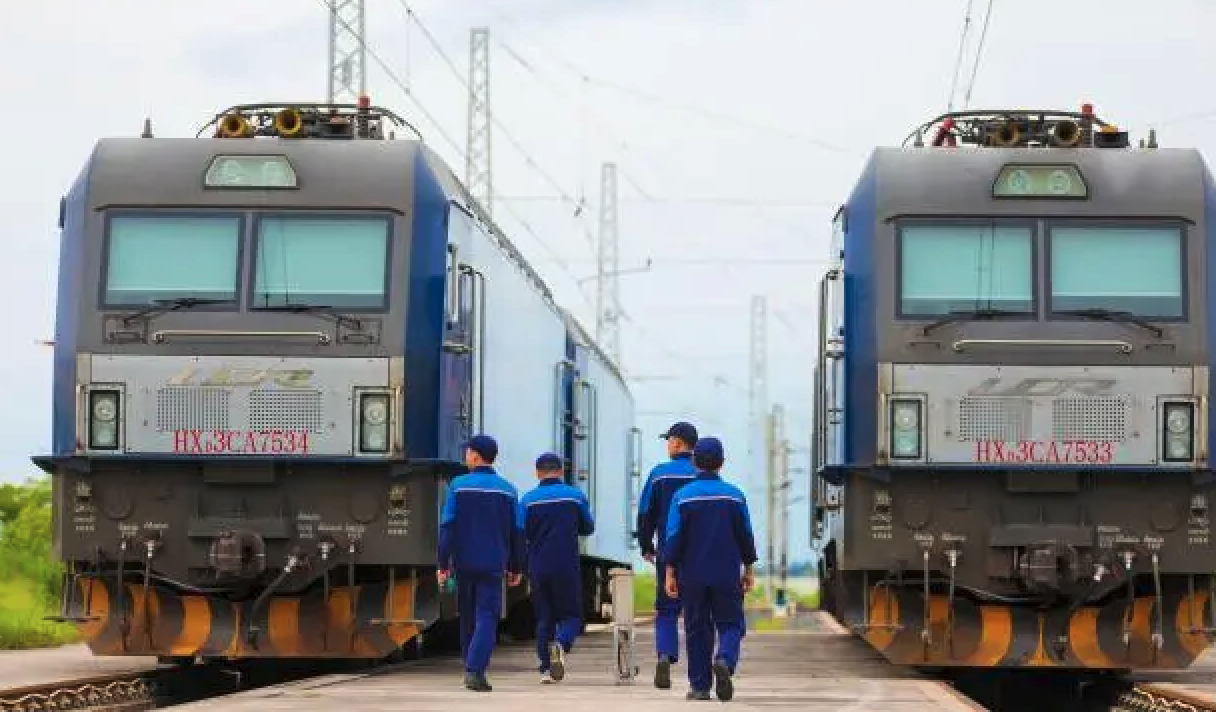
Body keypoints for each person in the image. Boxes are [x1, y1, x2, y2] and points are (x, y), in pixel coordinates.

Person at [662, 436, 757, 702]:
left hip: (692, 574)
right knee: (731, 624)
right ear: (721, 463)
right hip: (726, 573)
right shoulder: (735, 496)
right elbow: (745, 535)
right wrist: (748, 567)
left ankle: (700, 687)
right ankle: (725, 660)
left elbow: (673, 537)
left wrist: (670, 571)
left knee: (696, 629)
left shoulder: (682, 497)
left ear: (694, 462)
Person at [437, 434, 525, 692]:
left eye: (467, 452)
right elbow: (517, 532)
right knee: (487, 616)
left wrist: (443, 563)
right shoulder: (508, 490)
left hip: (463, 563)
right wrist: (516, 566)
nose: (465, 456)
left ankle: (471, 666)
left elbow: (447, 527)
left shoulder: (458, 486)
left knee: (467, 616)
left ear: (475, 456)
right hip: (493, 564)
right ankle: (475, 670)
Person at [517, 452, 595, 684]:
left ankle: (545, 669)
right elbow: (588, 527)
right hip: (566, 564)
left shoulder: (527, 500)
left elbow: (520, 533)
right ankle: (561, 643)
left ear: (537, 473)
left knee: (544, 618)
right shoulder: (575, 496)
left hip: (538, 566)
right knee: (571, 616)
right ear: (561, 471)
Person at [634, 420, 699, 689]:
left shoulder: (659, 474)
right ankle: (700, 668)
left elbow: (645, 513)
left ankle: (665, 655)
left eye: (668, 440)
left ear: (677, 442)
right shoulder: (702, 473)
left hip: (668, 551)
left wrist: (646, 545)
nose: (667, 445)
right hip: (700, 554)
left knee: (666, 610)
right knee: (698, 610)